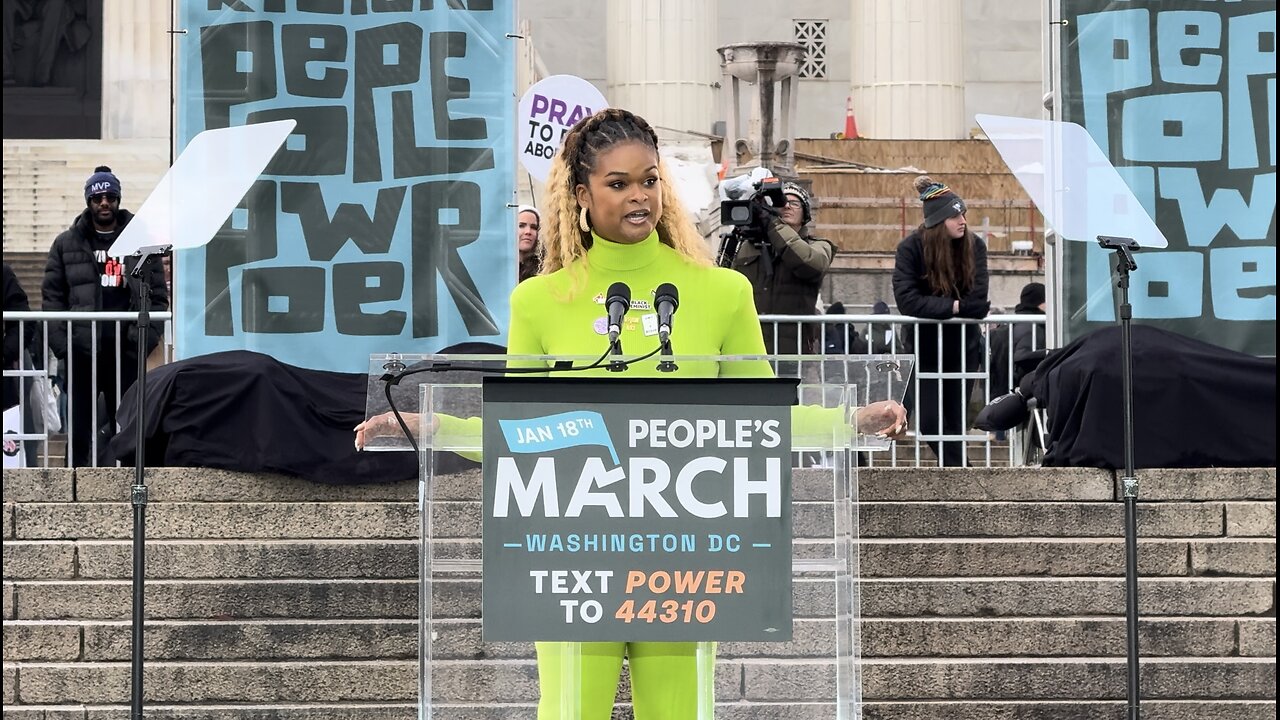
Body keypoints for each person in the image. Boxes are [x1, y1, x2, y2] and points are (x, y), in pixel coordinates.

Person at [355, 108, 906, 718]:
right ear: (582, 194)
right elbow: (522, 435)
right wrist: (432, 425)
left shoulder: (723, 292)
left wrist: (849, 421)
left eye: (648, 179)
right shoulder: (538, 301)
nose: (638, 196)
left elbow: (761, 420)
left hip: (686, 559)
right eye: (618, 184)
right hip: (572, 560)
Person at [42, 165, 169, 466]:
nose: (104, 203)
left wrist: (144, 340)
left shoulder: (141, 241)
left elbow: (158, 296)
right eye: (98, 197)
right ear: (88, 201)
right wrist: (64, 346)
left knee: (127, 422)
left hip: (125, 350)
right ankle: (76, 478)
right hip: (82, 351)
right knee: (80, 423)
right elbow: (52, 298)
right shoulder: (66, 243)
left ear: (118, 199)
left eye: (110, 196)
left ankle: (128, 479)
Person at [892, 175, 990, 468]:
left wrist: (943, 308)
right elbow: (907, 300)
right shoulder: (911, 248)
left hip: (964, 347)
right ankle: (966, 475)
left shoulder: (975, 247)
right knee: (932, 421)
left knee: (956, 420)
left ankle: (959, 476)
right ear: (938, 220)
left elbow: (979, 304)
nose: (962, 220)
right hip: (923, 348)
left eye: (963, 214)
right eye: (955, 215)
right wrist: (956, 306)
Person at [730, 182, 835, 355]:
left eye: (794, 203)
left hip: (794, 348)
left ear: (805, 214)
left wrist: (773, 224)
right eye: (781, 202)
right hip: (751, 344)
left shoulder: (819, 246)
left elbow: (811, 264)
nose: (786, 205)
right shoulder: (750, 246)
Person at [989, 281, 1047, 396]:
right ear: (1040, 303)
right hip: (1020, 396)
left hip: (1001, 394)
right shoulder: (1033, 327)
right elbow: (1023, 357)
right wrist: (1051, 353)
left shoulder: (1014, 324)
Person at [516, 204, 541, 282]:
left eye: (534, 227)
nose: (528, 232)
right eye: (521, 226)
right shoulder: (499, 267)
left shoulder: (544, 269)